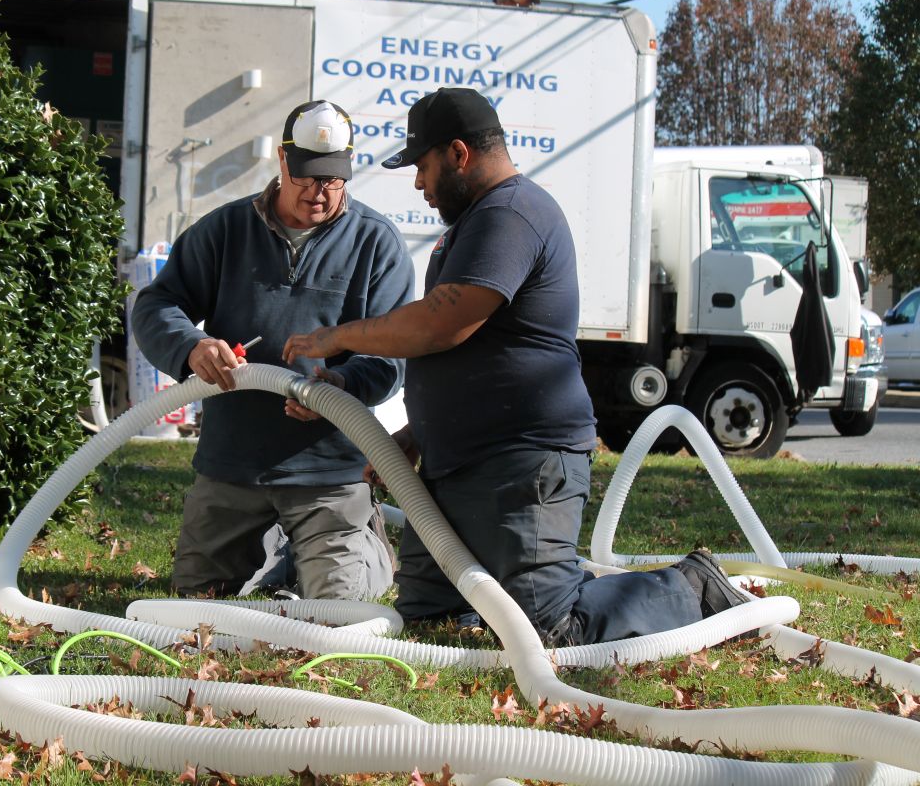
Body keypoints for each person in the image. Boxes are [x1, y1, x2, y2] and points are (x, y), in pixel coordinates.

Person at [282, 87, 748, 645]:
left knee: (551, 626)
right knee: (429, 621)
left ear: (459, 154)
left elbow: (441, 324)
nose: (418, 184)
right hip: (461, 465)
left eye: (424, 167)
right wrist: (416, 433)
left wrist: (336, 337)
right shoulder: (479, 220)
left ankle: (694, 588)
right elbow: (473, 353)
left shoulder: (511, 214)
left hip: (522, 463)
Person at [130, 99, 414, 601]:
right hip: (233, 462)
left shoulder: (376, 243)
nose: (318, 193)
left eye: (332, 178)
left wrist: (340, 387)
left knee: (339, 604)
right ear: (283, 161)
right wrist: (192, 348)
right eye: (305, 176)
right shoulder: (224, 231)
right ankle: (281, 554)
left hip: (328, 471)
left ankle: (361, 547)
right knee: (198, 597)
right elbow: (156, 306)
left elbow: (392, 356)